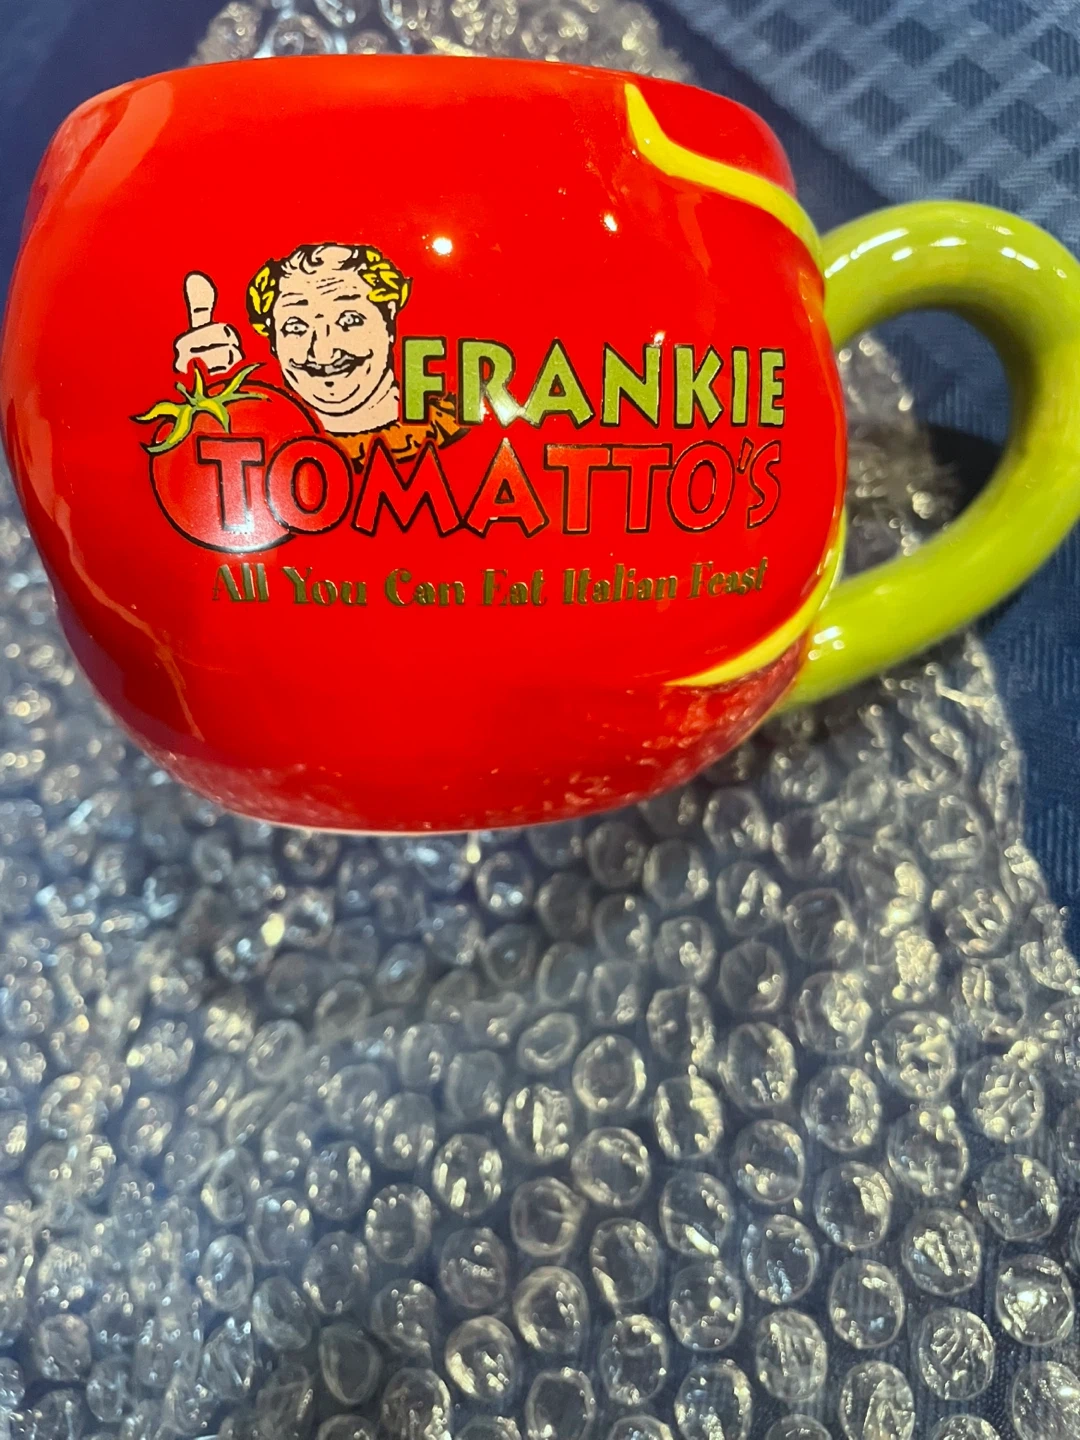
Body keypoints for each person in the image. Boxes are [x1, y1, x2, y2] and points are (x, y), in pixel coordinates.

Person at [172, 242, 460, 464]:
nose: (323, 351)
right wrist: (207, 407)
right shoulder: (261, 443)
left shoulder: (450, 424)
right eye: (296, 327)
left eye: (349, 320)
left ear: (389, 321)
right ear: (273, 340)